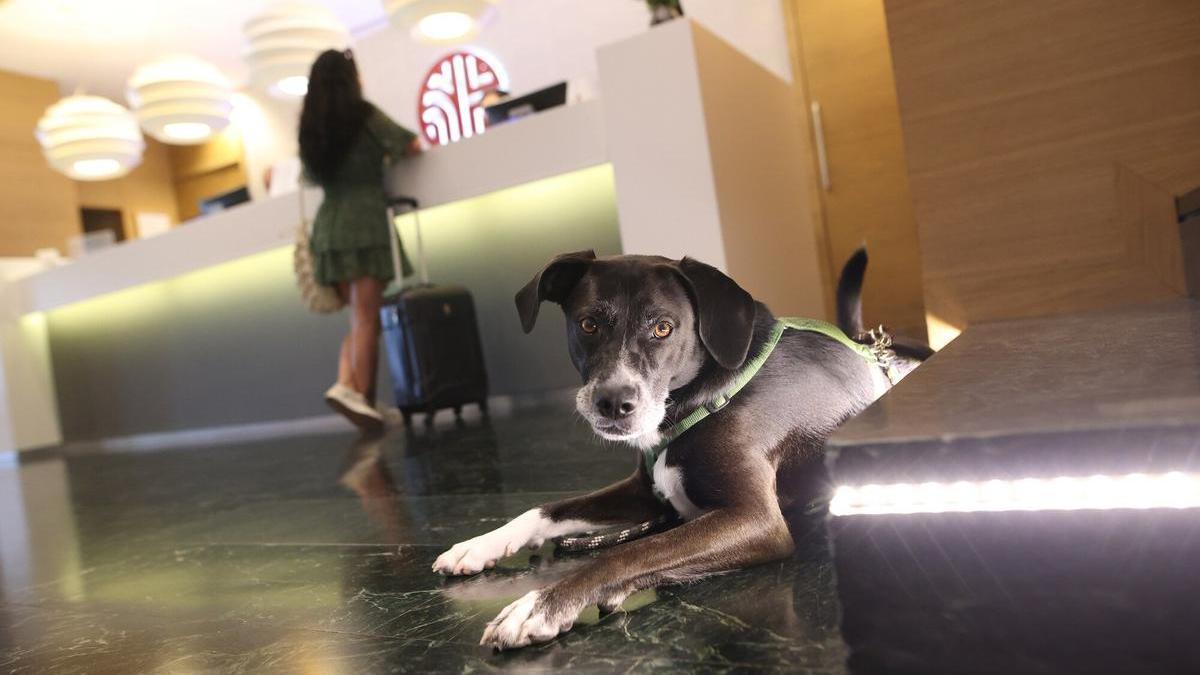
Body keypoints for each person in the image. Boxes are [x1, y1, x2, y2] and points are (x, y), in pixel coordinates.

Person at [298, 49, 420, 431]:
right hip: (364, 219)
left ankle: (353, 393)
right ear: (351, 79)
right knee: (367, 316)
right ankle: (356, 395)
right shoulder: (364, 116)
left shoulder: (311, 126)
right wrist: (379, 161)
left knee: (358, 315)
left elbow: (311, 177)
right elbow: (409, 144)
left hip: (331, 225)